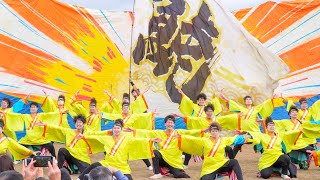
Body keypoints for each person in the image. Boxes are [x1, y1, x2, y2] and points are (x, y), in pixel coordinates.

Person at [127, 115, 205, 179]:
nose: (170, 124)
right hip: (163, 158)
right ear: (165, 124)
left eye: (171, 123)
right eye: (168, 122)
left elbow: (191, 133)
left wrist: (203, 130)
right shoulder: (159, 133)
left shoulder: (179, 132)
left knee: (178, 175)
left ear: (174, 124)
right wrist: (133, 130)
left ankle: (169, 170)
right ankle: (157, 173)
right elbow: (147, 133)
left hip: (174, 161)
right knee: (155, 152)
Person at [79, 119, 159, 180]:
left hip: (122, 165)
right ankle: (80, 178)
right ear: (112, 129)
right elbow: (96, 138)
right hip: (108, 163)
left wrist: (150, 139)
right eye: (115, 128)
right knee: (94, 165)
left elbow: (138, 140)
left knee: (129, 178)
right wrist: (83, 137)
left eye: (118, 128)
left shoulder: (127, 139)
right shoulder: (107, 138)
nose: (116, 130)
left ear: (121, 130)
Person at [174, 104, 238, 168]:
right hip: (204, 141)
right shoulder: (201, 120)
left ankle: (231, 163)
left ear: (213, 112)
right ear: (205, 112)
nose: (209, 113)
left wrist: (237, 115)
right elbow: (192, 119)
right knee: (190, 145)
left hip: (216, 141)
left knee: (229, 149)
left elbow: (227, 118)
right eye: (208, 111)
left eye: (211, 111)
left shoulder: (217, 119)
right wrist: (180, 115)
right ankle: (185, 164)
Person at [180, 122, 247, 180]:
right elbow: (193, 139)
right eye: (213, 131)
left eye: (216, 131)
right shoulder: (205, 140)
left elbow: (234, 139)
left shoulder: (223, 140)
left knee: (234, 162)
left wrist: (245, 137)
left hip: (221, 164)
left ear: (219, 131)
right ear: (210, 132)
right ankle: (214, 175)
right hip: (209, 167)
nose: (214, 132)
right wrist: (181, 136)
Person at [38, 114, 103, 173]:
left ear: (83, 124)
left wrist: (109, 132)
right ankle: (59, 170)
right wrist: (45, 125)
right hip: (70, 154)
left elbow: (98, 134)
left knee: (86, 171)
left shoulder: (87, 133)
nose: (78, 124)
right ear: (75, 123)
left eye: (80, 122)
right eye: (77, 122)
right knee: (62, 150)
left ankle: (69, 168)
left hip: (81, 157)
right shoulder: (69, 131)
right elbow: (58, 129)